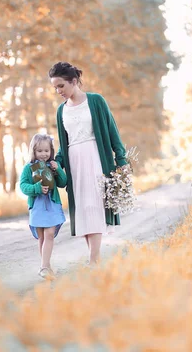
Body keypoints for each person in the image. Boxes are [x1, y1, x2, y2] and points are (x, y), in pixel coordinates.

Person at [49, 61, 127, 265]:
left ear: (74, 81)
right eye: (55, 87)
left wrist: (121, 159)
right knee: (82, 211)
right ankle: (95, 259)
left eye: (61, 86)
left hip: (95, 158)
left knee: (94, 206)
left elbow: (112, 132)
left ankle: (94, 260)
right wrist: (57, 163)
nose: (58, 91)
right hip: (74, 164)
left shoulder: (96, 101)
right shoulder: (61, 111)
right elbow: (63, 145)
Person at [19, 133, 67, 279]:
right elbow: (23, 186)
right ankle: (46, 266)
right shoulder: (29, 168)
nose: (43, 154)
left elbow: (63, 182)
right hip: (38, 206)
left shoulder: (52, 166)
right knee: (41, 238)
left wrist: (58, 169)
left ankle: (44, 267)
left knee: (49, 234)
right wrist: (36, 188)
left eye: (47, 151)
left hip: (51, 205)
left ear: (51, 151)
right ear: (33, 151)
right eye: (39, 151)